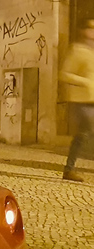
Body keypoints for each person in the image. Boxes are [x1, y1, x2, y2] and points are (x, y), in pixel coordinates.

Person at [60, 17, 94, 182]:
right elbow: (64, 74)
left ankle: (69, 169)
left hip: (92, 100)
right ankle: (69, 169)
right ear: (83, 31)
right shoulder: (77, 50)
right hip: (81, 102)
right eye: (91, 28)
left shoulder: (92, 51)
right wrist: (85, 82)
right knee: (83, 135)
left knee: (84, 136)